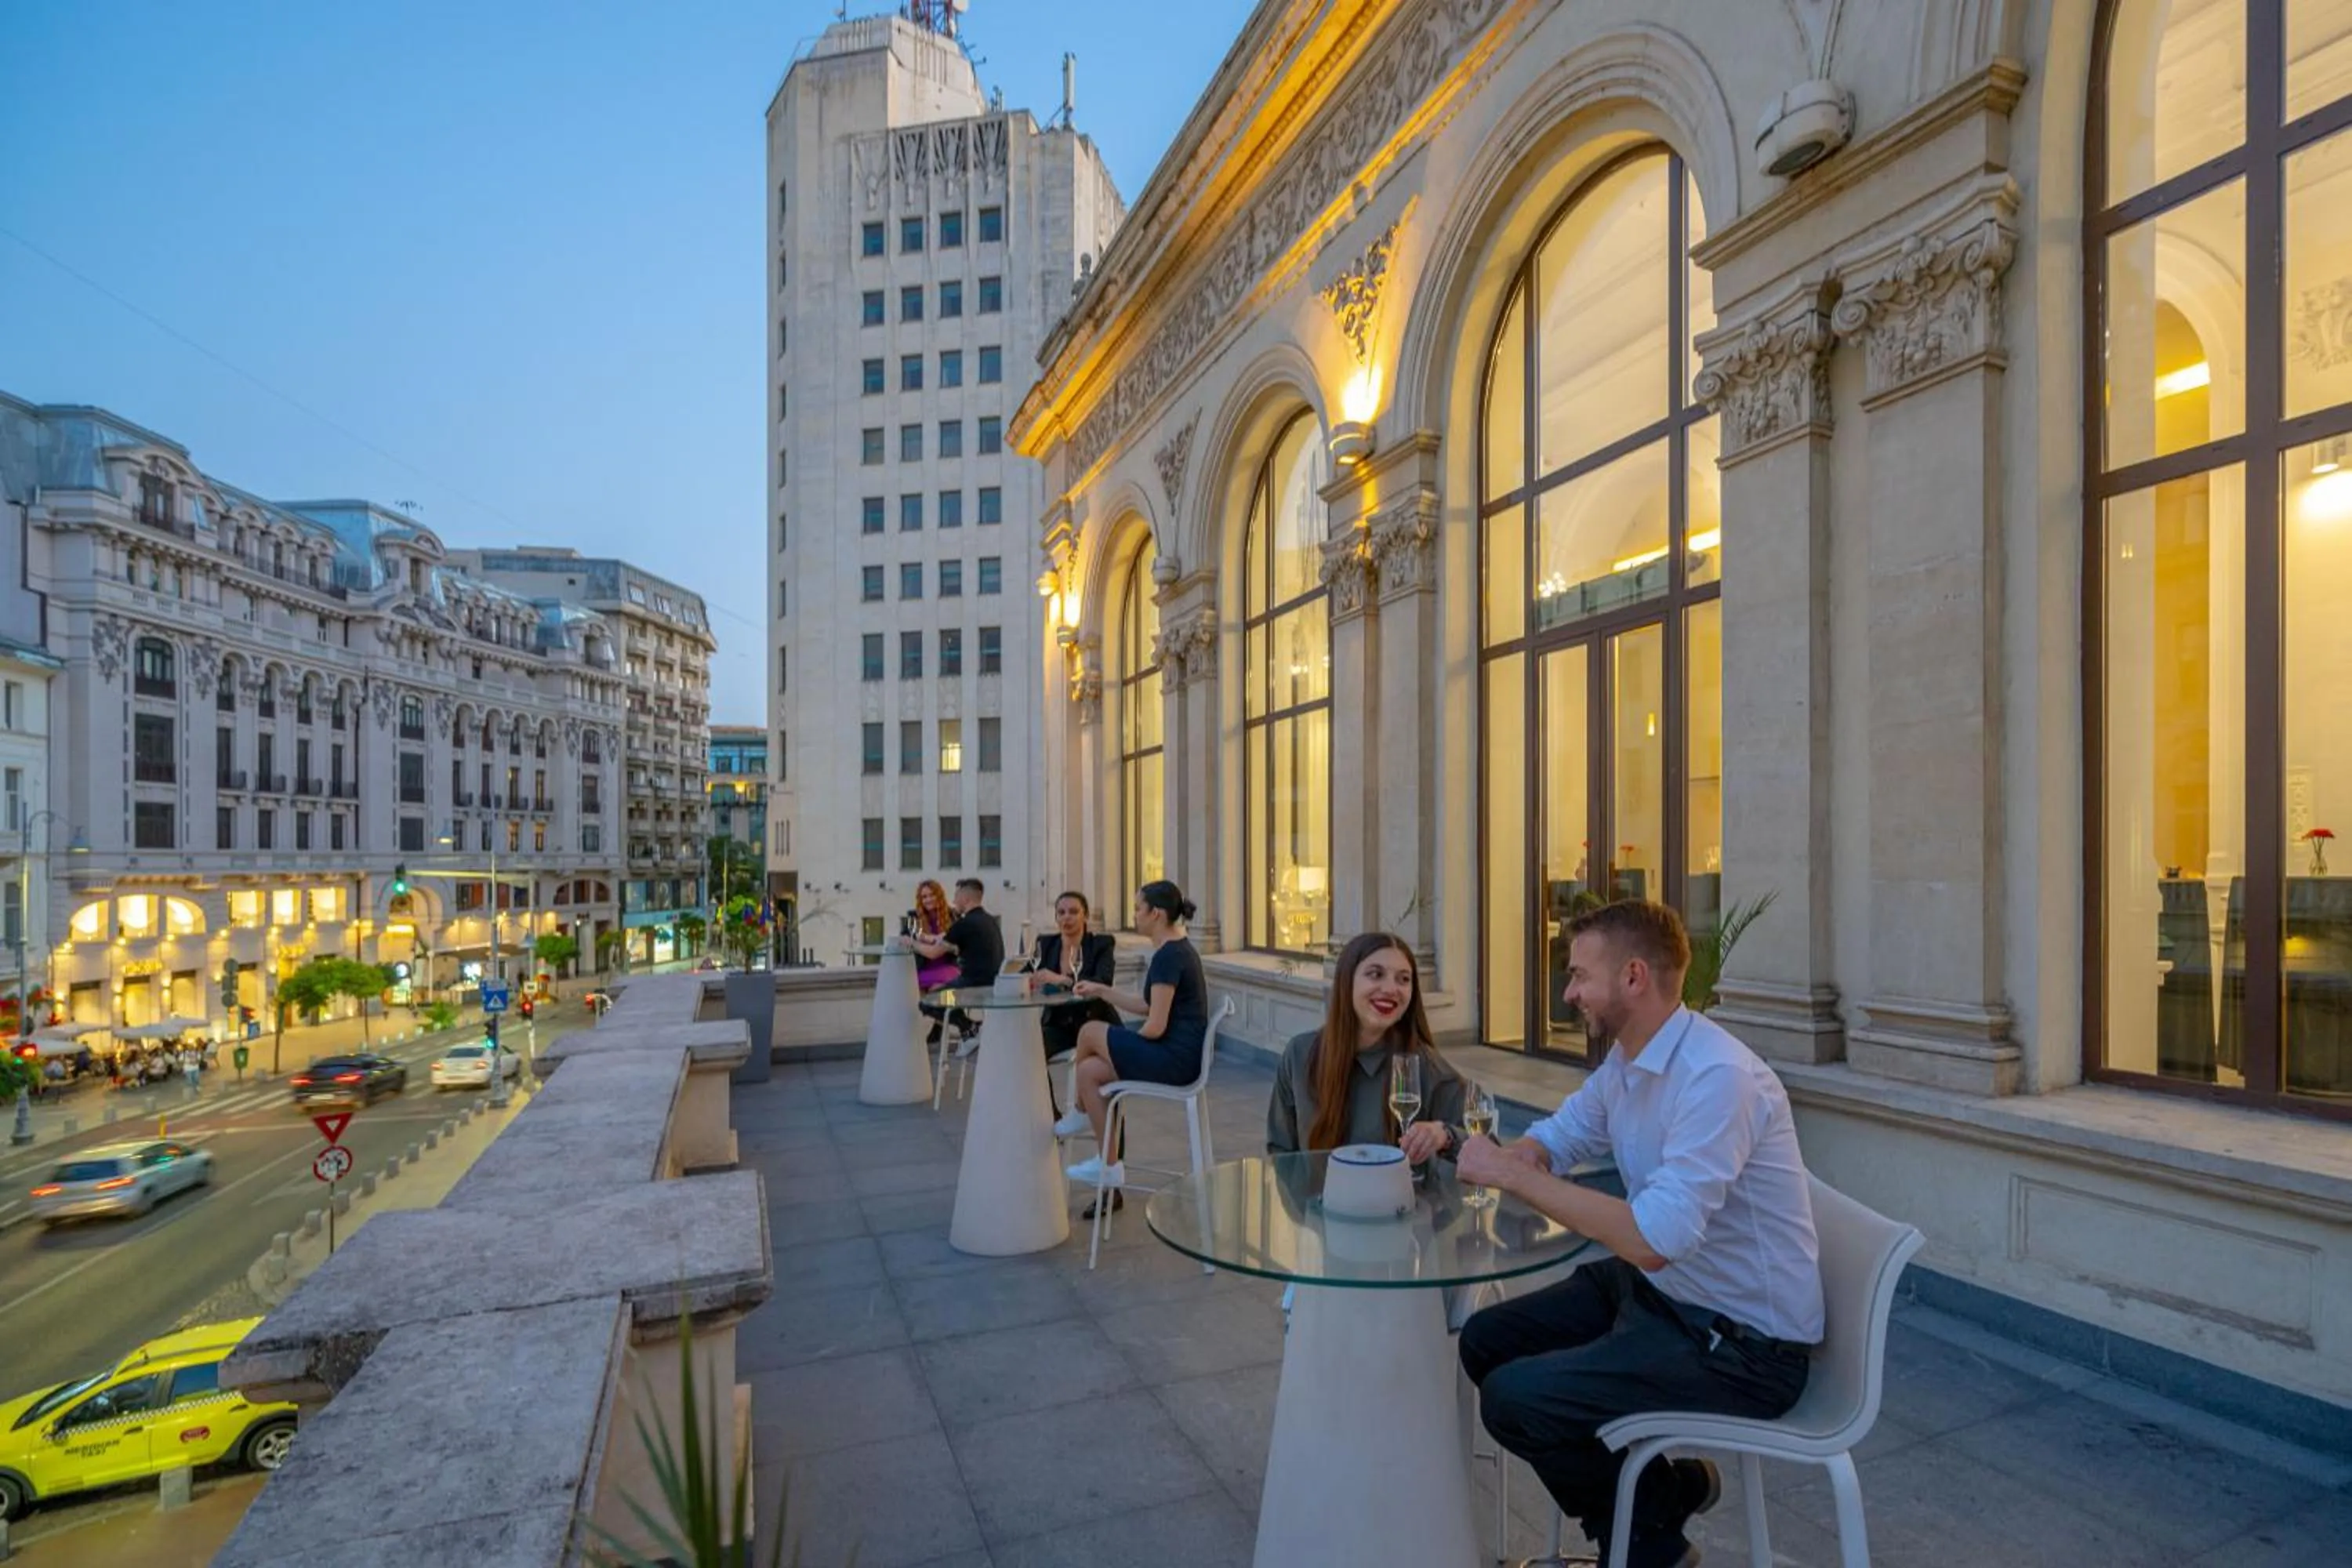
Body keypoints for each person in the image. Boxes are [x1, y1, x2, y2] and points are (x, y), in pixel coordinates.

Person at [1454, 901, 1823, 1568]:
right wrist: (1512, 1158)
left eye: (1577, 976)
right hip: (1666, 1296)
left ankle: (1649, 1546)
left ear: (1632, 977)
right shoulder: (1630, 1061)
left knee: (1514, 1401)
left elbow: (1655, 1239)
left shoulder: (1718, 1078)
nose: (1567, 994)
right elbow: (1560, 1138)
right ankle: (1664, 1493)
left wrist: (1516, 1179)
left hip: (1742, 1346)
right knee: (1484, 1341)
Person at [1057, 880, 1209, 1213]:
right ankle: (1109, 1165)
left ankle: (1080, 1112)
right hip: (1176, 1055)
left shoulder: (1169, 956)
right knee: (1089, 1071)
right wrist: (1101, 990)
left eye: (1138, 908)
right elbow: (1146, 1006)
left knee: (1090, 1032)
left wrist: (1120, 1044)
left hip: (1175, 1062)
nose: (1135, 915)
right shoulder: (1175, 950)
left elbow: (1153, 1027)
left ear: (1156, 914)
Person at [1267, 930, 1465, 1163]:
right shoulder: (1300, 1055)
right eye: (1375, 974)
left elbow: (1485, 1142)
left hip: (1400, 1199)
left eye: (1403, 979)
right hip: (1318, 1199)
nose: (1391, 989)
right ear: (1346, 981)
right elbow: (1281, 1153)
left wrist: (1444, 1135)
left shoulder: (1424, 1064)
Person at [1030, 890, 1117, 1115]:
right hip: (1059, 1025)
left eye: (1073, 912)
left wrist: (1063, 980)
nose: (1066, 918)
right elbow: (1027, 974)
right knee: (1029, 1051)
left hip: (1095, 1023)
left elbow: (1102, 981)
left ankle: (1111, 1141)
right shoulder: (1045, 944)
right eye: (1061, 912)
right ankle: (1052, 1118)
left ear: (1085, 916)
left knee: (1106, 1088)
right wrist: (1027, 980)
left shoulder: (1101, 945)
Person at [913, 878, 1004, 1054]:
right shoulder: (990, 921)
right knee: (943, 993)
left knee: (929, 1002)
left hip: (971, 988)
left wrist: (911, 942)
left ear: (965, 898)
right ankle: (970, 1031)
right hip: (992, 985)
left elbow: (933, 953)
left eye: (956, 896)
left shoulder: (963, 924)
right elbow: (958, 947)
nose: (954, 901)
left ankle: (971, 1028)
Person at [910, 880, 960, 1041]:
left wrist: (929, 940)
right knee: (915, 991)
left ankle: (952, 1022)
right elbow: (910, 938)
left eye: (932, 895)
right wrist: (928, 938)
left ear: (939, 896)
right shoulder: (915, 918)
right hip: (925, 969)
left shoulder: (952, 916)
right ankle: (946, 1023)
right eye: (924, 897)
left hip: (949, 967)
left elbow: (956, 941)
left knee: (940, 991)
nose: (928, 900)